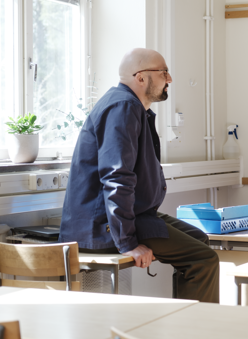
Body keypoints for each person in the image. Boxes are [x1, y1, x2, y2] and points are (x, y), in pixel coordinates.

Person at [60, 48, 219, 303]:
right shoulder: (123, 107)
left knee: (199, 240)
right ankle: (193, 337)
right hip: (102, 226)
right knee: (203, 259)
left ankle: (186, 317)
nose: (170, 79)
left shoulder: (132, 107)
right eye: (164, 72)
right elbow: (116, 177)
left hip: (130, 216)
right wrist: (127, 242)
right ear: (141, 77)